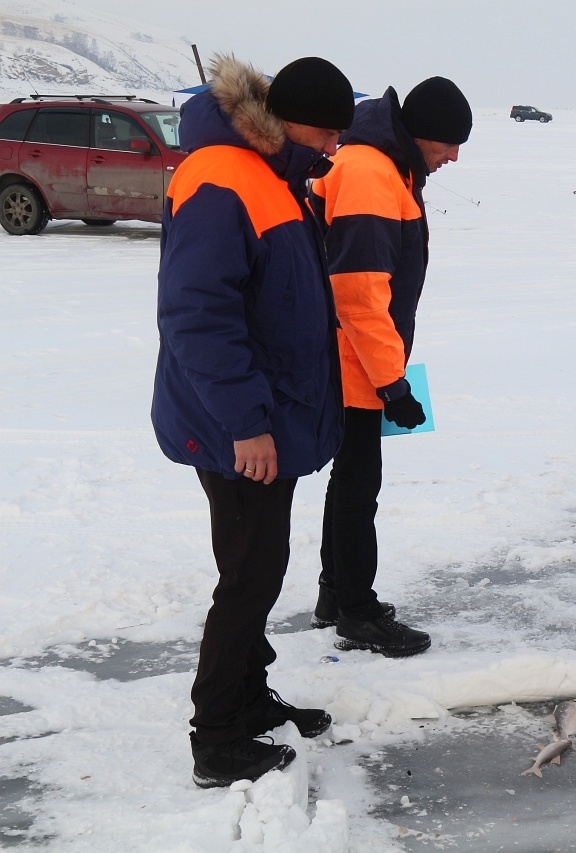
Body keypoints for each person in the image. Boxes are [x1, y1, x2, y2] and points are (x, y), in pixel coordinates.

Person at [152, 54, 353, 788]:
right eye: (329, 130)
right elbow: (198, 316)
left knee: (259, 566)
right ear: (288, 120)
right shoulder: (221, 174)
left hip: (263, 415)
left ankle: (247, 693)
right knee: (249, 573)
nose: (335, 145)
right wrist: (247, 422)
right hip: (235, 422)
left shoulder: (271, 176)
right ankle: (217, 733)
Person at [307, 77, 472, 656]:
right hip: (352, 359)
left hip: (357, 355)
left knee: (351, 480)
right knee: (358, 486)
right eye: (451, 144)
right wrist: (391, 382)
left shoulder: (388, 166)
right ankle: (356, 610)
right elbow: (358, 293)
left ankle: (337, 593)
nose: (453, 156)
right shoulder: (372, 173)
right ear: (422, 133)